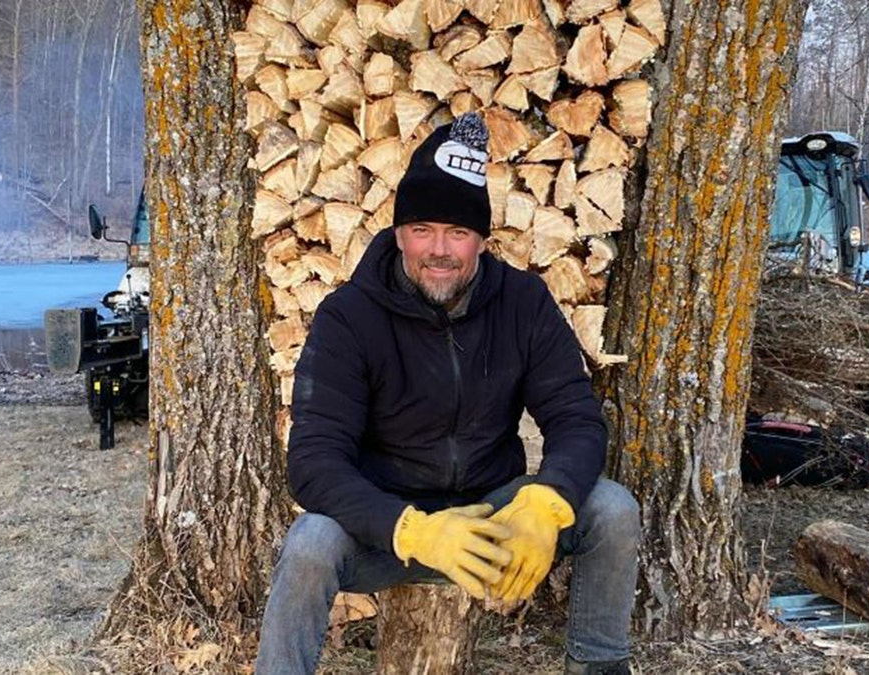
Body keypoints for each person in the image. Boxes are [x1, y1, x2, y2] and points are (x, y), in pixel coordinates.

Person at [255, 112, 640, 675]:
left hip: (493, 515)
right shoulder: (349, 317)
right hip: (391, 526)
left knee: (612, 509)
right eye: (423, 230)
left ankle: (599, 668)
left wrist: (544, 502)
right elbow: (313, 463)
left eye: (458, 233)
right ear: (397, 234)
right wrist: (412, 529)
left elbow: (576, 419)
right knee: (312, 542)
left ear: (481, 241)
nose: (440, 249)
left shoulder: (523, 302)